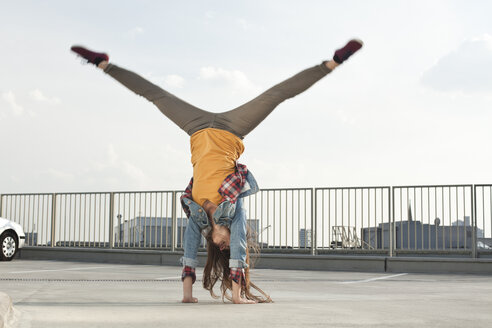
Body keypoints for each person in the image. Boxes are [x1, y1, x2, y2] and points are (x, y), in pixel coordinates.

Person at [71, 39, 363, 304]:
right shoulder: (233, 212)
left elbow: (187, 251)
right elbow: (238, 247)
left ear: (210, 241)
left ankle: (102, 63)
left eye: (218, 247)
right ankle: (334, 62)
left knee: (155, 95)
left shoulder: (196, 215)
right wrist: (237, 294)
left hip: (196, 127)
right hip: (233, 129)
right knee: (275, 95)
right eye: (227, 247)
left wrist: (187, 295)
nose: (224, 246)